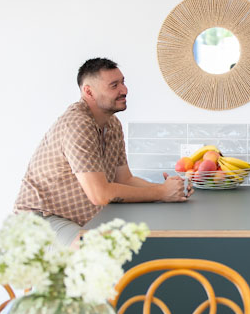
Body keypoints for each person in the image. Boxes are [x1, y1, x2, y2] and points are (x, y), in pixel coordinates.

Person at [13, 57, 191, 246]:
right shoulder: (77, 124)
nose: (124, 90)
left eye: (123, 82)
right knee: (96, 251)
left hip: (76, 219)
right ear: (88, 91)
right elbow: (100, 195)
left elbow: (125, 180)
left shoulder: (112, 125)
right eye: (114, 85)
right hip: (41, 219)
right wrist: (161, 192)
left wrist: (169, 189)